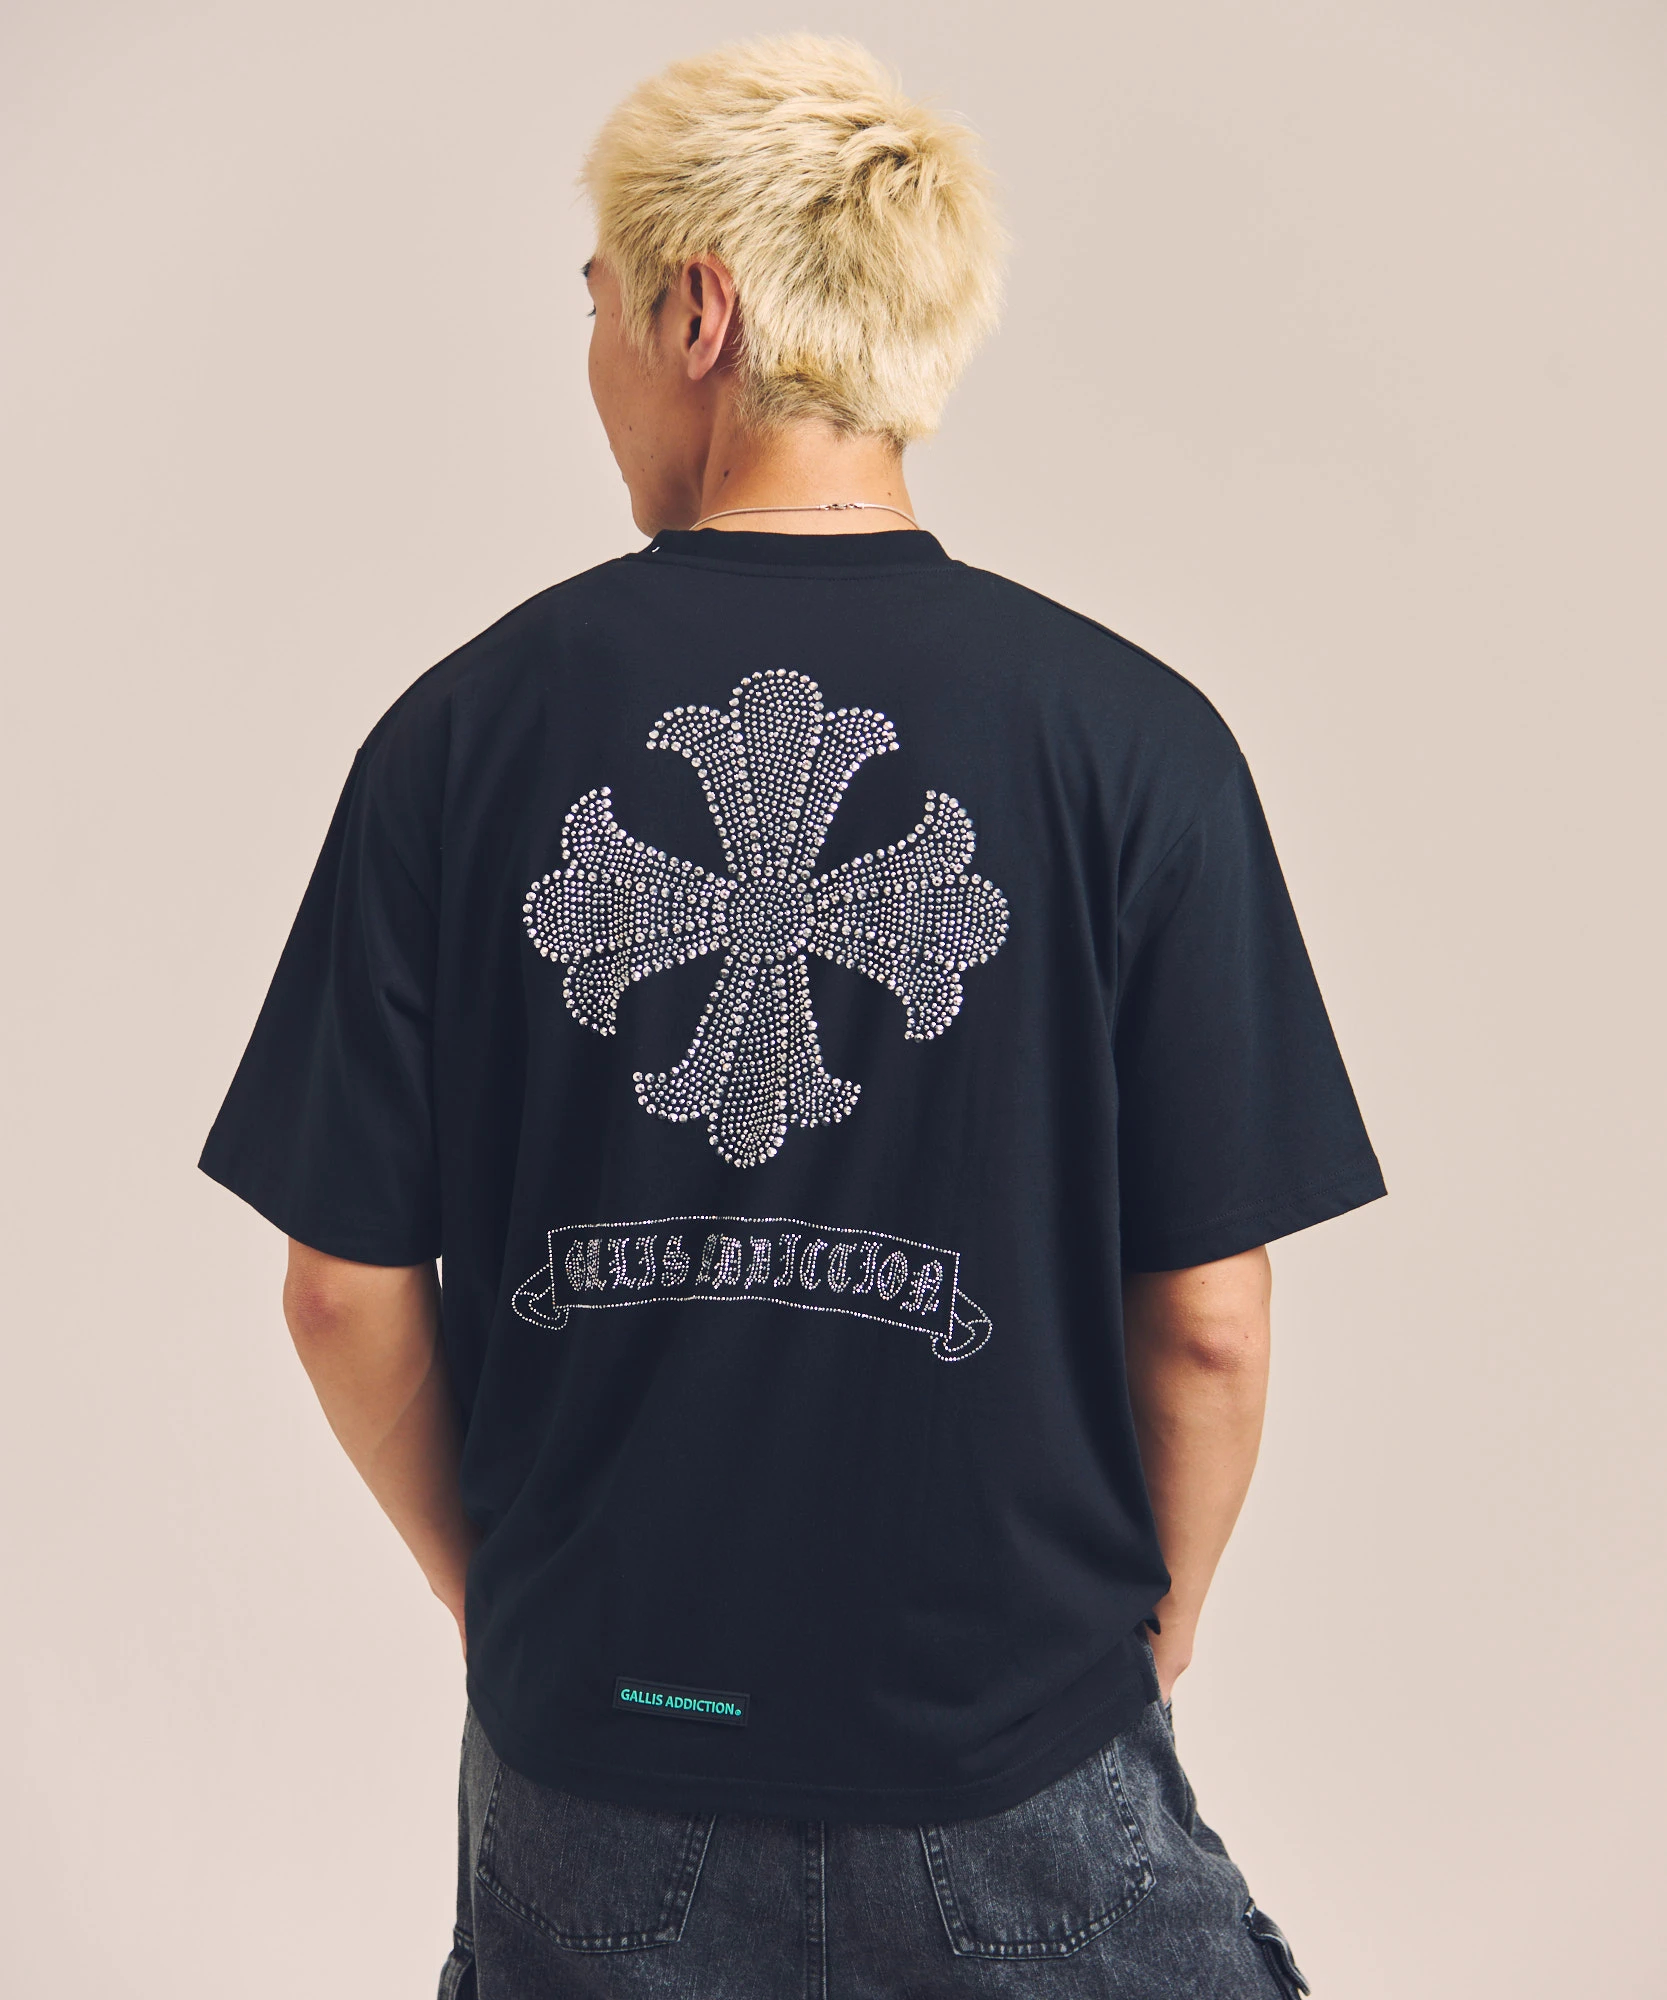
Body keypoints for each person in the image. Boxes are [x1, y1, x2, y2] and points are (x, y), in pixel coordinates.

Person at [200, 33, 1384, 1999]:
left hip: (597, 1772)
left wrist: (519, 1612)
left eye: (596, 301)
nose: (592, 360)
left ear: (697, 311)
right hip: (1017, 1754)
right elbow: (1209, 1321)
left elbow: (341, 1293)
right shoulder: (1137, 744)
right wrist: (1133, 1656)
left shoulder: (458, 738)